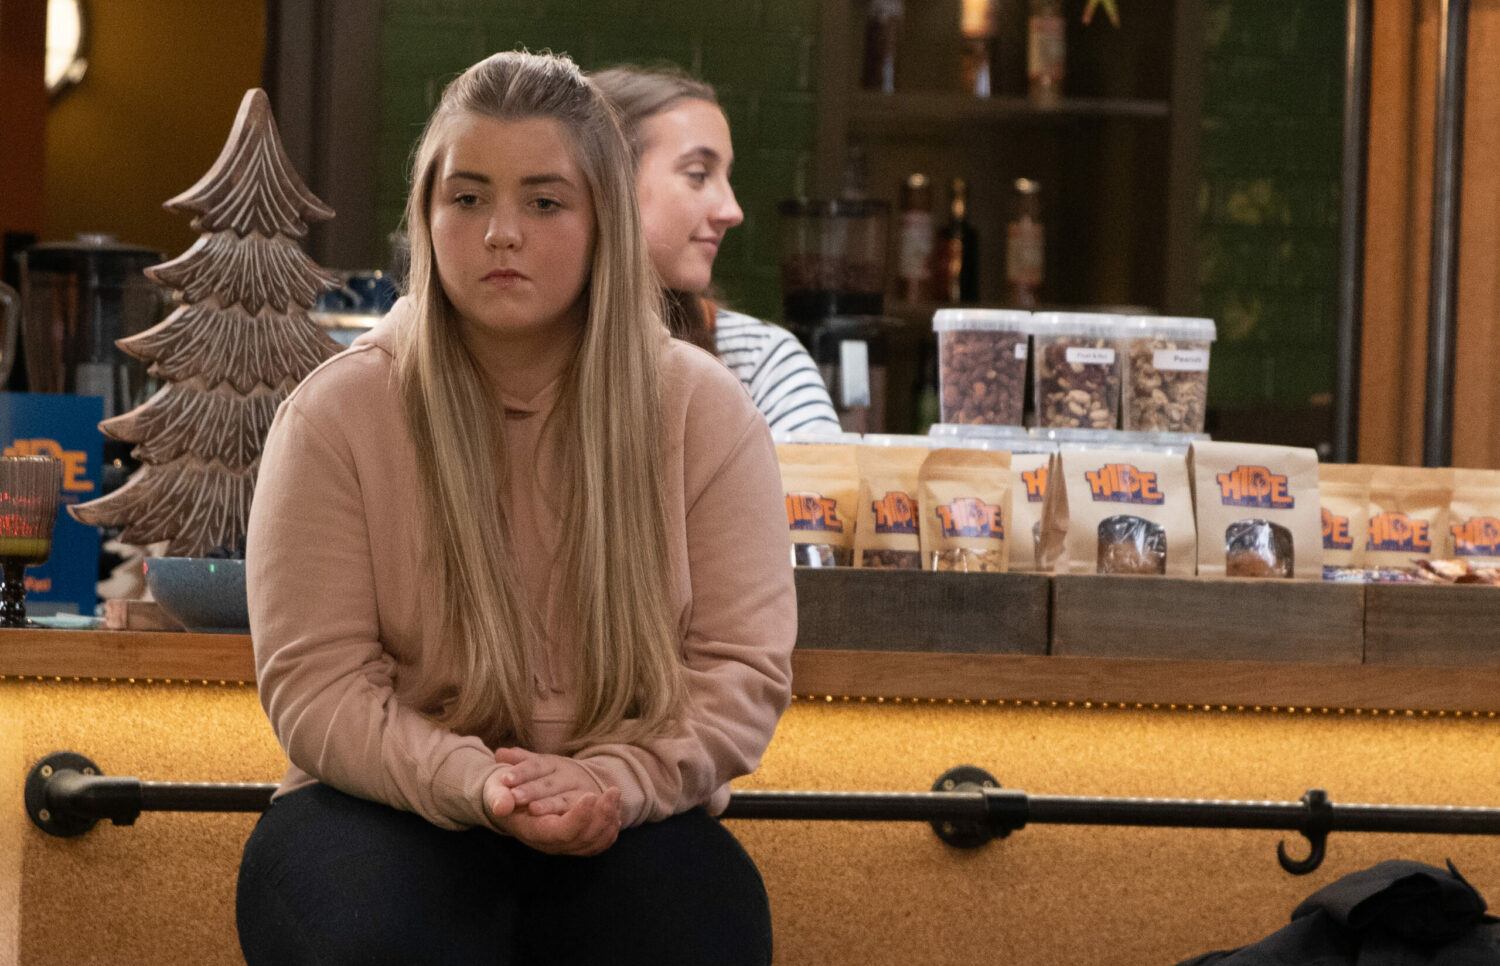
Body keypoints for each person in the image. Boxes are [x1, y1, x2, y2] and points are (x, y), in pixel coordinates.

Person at [236, 50, 796, 966]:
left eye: (543, 201)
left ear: (603, 220)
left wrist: (608, 781)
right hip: (378, 807)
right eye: (467, 198)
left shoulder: (705, 411)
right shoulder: (336, 413)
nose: (501, 232)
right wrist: (483, 786)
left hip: (633, 812)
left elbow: (738, 675)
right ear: (425, 215)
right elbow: (318, 687)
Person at [591, 65, 843, 436]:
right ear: (609, 184)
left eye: (726, 176)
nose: (732, 211)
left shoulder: (761, 362)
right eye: (698, 174)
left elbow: (815, 494)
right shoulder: (519, 356)